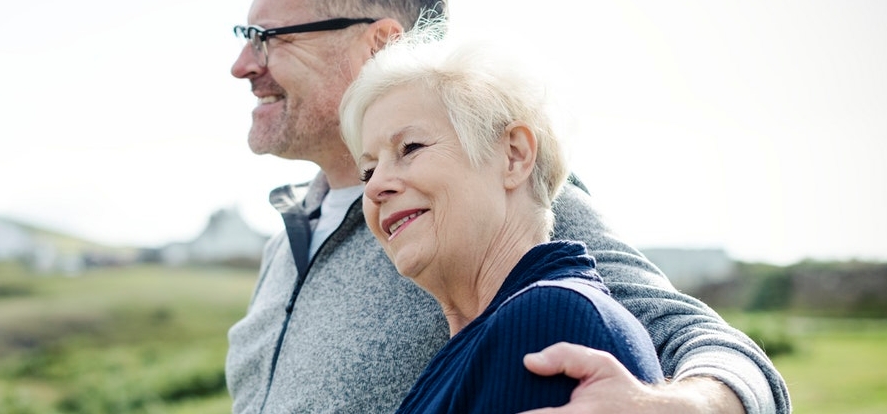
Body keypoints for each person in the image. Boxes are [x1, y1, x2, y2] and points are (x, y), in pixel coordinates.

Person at [225, 1, 790, 413]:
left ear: (381, 44)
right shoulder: (286, 241)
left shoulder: (502, 198)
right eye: (372, 168)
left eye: (267, 36)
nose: (243, 64)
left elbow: (703, 342)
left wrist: (691, 408)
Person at [337, 23, 663, 413]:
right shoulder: (492, 336)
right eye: (368, 171)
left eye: (410, 147)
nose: (374, 189)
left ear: (514, 156)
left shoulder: (548, 321)